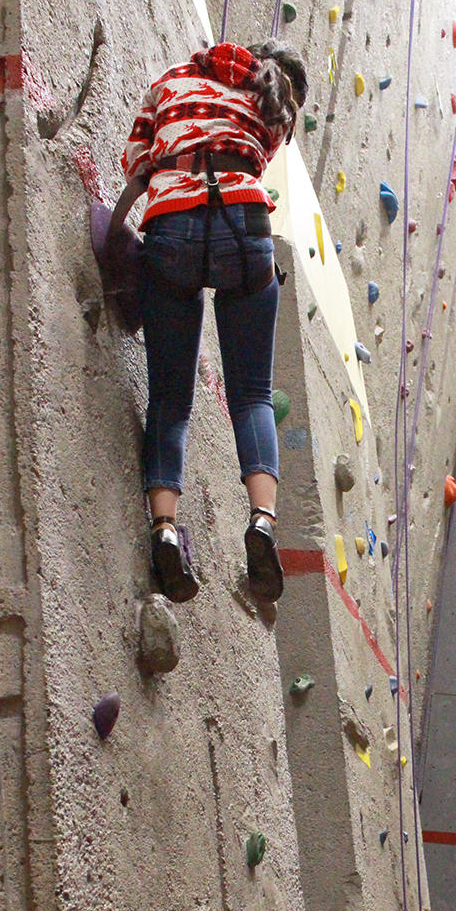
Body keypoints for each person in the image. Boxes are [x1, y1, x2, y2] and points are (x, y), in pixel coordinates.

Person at [120, 39, 308, 605]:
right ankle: (262, 522)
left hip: (172, 228)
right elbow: (250, 157)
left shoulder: (170, 81)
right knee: (251, 393)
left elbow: (136, 163)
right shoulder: (272, 104)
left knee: (170, 399)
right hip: (244, 231)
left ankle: (165, 530)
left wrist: (118, 223)